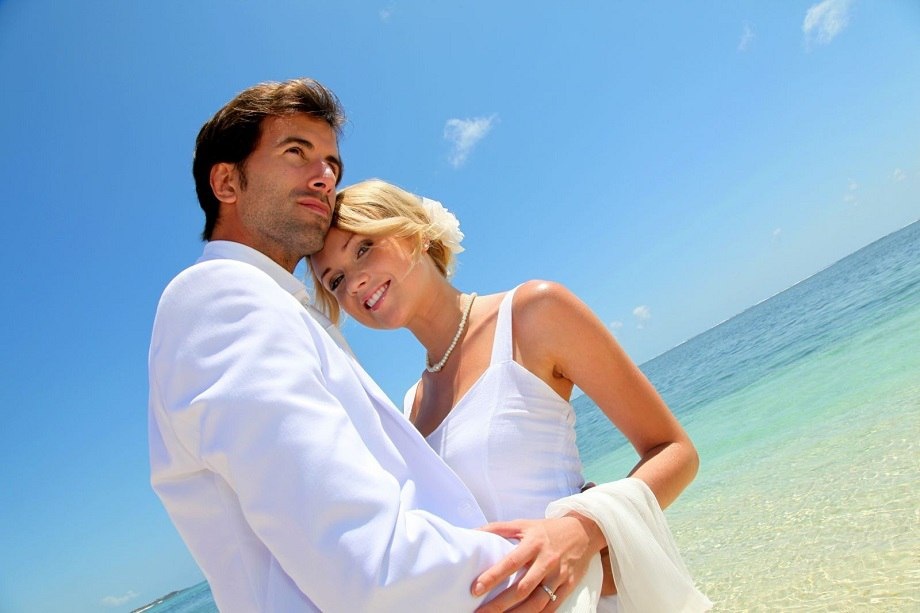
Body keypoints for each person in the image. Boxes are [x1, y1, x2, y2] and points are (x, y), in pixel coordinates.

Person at [148, 78, 609, 613]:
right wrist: (559, 558)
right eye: (296, 152)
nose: (324, 177)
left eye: (332, 164)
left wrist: (585, 530)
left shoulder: (276, 307)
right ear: (227, 182)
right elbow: (367, 564)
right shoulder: (223, 298)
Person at [310, 180, 713, 612]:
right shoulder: (411, 408)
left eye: (363, 248)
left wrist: (582, 529)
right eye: (336, 281)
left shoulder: (533, 314)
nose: (354, 282)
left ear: (415, 234)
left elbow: (675, 451)